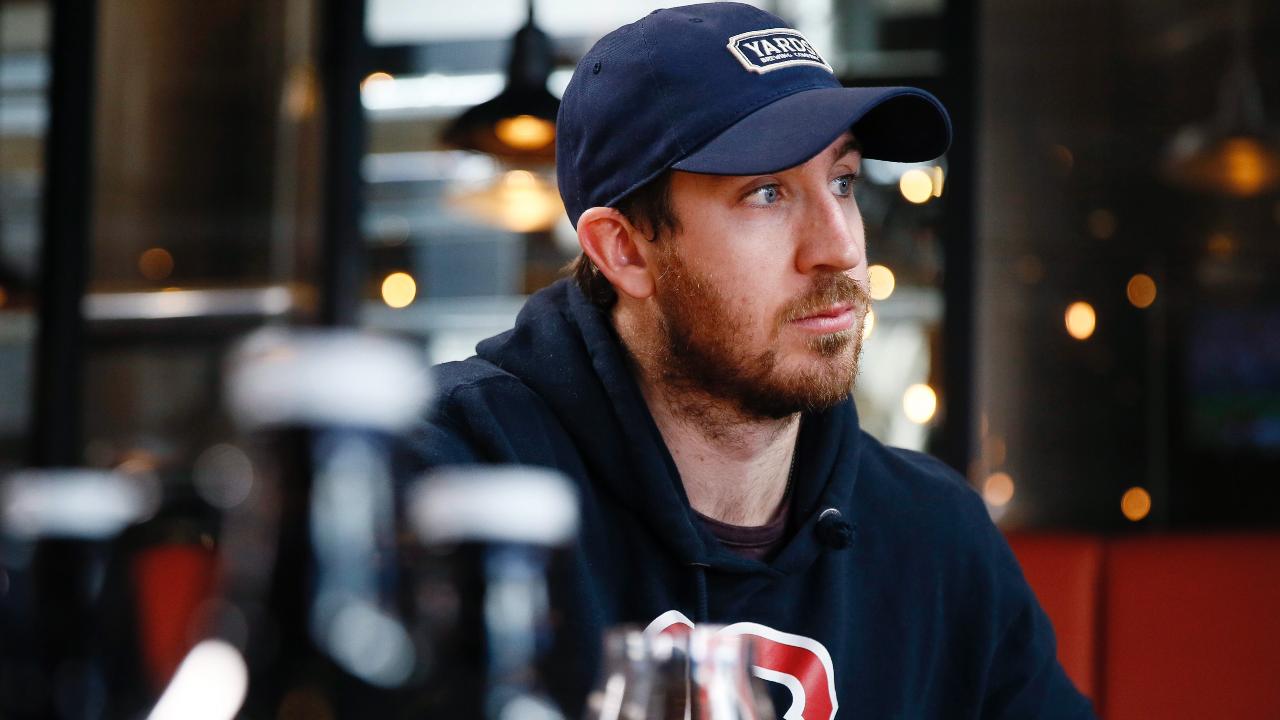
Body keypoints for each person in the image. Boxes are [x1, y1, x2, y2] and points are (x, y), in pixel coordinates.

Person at [417, 3, 1097, 718]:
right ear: (626, 250)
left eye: (843, 181)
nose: (840, 247)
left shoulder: (932, 535)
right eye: (766, 194)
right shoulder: (446, 485)